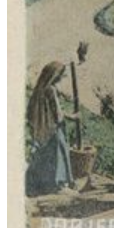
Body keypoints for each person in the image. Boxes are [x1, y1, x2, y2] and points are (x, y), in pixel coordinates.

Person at [26, 62, 76, 196]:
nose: (62, 77)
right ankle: (58, 184)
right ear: (55, 75)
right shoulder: (51, 90)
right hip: (54, 128)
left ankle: (45, 183)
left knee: (45, 154)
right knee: (59, 152)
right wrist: (71, 117)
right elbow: (58, 114)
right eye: (60, 74)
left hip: (44, 127)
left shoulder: (40, 88)